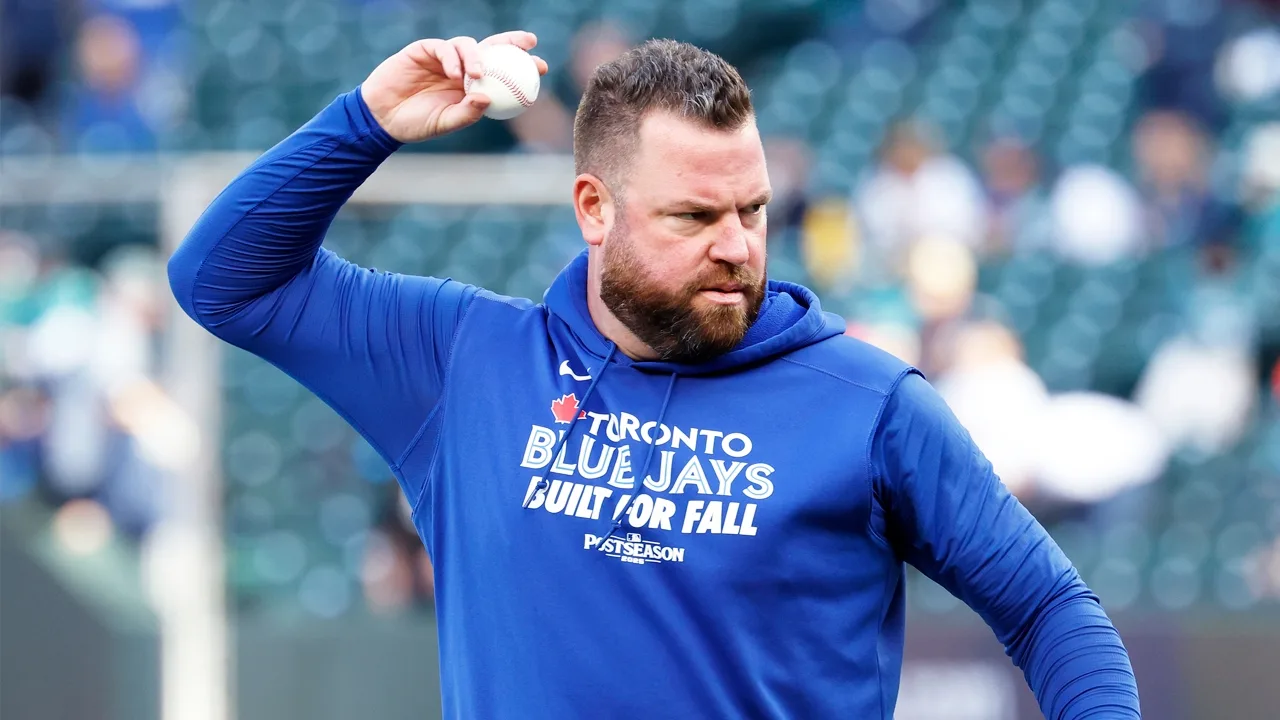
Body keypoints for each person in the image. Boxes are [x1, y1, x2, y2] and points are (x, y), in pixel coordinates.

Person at [168, 31, 1141, 719]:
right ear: (594, 208)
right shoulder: (463, 363)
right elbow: (222, 282)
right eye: (692, 217)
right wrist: (364, 121)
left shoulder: (868, 406)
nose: (735, 246)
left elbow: (1052, 611)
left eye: (752, 210)